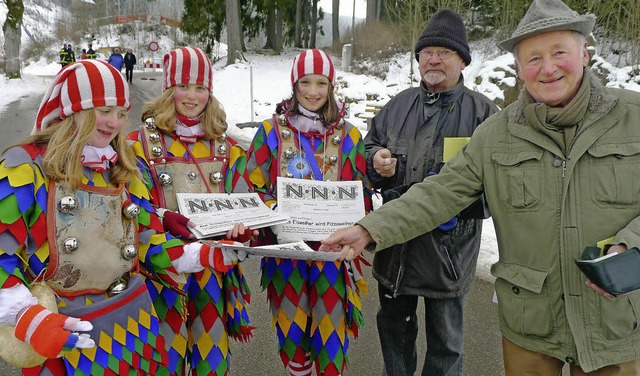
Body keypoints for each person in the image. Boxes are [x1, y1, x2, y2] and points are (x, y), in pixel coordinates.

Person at [320, 0, 640, 374]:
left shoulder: (632, 117)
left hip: (613, 324)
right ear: (519, 69)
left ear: (584, 53)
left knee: (445, 343)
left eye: (559, 53)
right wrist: (368, 228)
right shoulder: (496, 133)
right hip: (530, 324)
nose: (548, 67)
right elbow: (439, 192)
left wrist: (630, 244)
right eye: (533, 58)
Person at [0, 59, 240, 375]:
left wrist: (203, 254)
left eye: (121, 113)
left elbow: (147, 241)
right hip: (63, 328)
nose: (114, 123)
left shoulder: (122, 169)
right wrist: (26, 316)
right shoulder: (25, 167)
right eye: (104, 110)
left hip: (130, 327)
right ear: (75, 109)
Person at [365, 8, 498, 376]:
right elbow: (366, 147)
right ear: (419, 59)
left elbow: (497, 188)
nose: (434, 59)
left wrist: (463, 207)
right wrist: (376, 159)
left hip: (448, 254)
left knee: (445, 344)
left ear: (462, 60)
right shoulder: (398, 105)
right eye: (427, 52)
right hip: (396, 250)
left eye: (445, 52)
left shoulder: (484, 114)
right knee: (393, 332)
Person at [238, 49, 372, 376]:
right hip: (287, 252)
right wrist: (275, 212)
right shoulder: (271, 131)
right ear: (294, 85)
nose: (313, 91)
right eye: (305, 82)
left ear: (331, 86)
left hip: (332, 252)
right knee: (292, 331)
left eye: (321, 83)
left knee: (330, 332)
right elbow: (255, 184)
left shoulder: (349, 135)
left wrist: (359, 214)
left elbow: (361, 190)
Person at [127, 46, 255, 376]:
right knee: (163, 360)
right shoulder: (138, 143)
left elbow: (244, 199)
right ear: (169, 89)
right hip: (160, 272)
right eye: (183, 86)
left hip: (213, 268)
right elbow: (132, 205)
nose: (192, 96)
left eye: (200, 88)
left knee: (212, 361)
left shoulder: (226, 146)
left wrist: (246, 227)